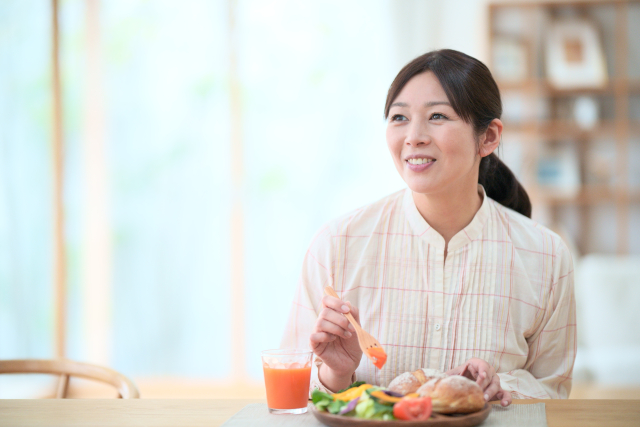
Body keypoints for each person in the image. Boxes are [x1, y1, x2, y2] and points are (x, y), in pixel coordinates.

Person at [281, 49, 576, 406]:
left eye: (437, 115)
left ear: (489, 137)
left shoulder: (545, 256)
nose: (414, 136)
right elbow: (291, 392)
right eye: (399, 117)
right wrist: (335, 375)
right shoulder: (337, 245)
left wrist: (501, 387)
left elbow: (554, 391)